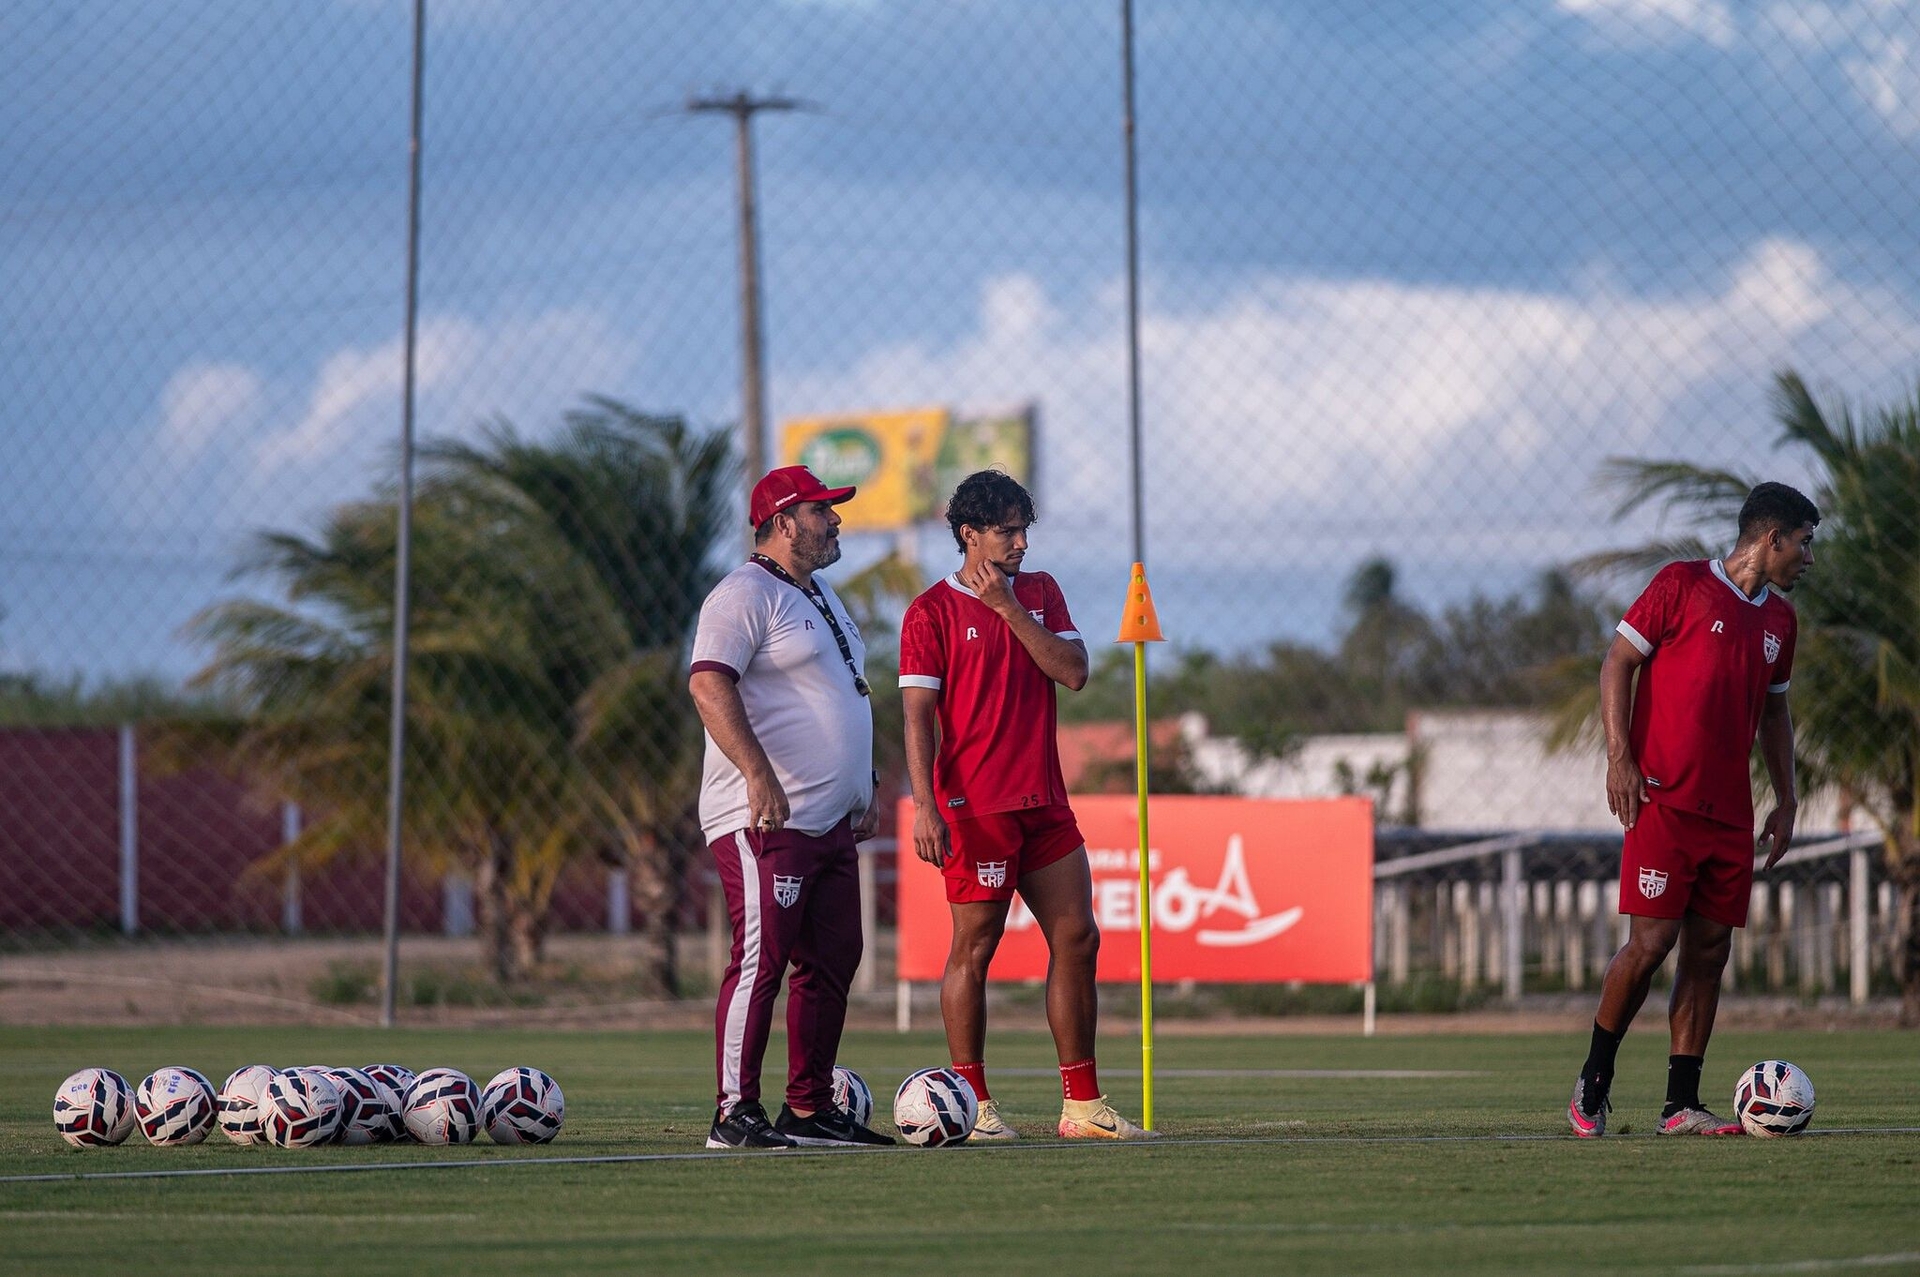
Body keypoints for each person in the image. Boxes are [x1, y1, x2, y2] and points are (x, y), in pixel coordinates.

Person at [900, 469, 1148, 1141]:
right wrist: (925, 805)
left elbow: (1073, 671)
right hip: (976, 808)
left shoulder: (1038, 593)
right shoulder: (929, 611)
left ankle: (1082, 1107)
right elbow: (917, 717)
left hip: (1045, 803)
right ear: (969, 534)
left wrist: (1010, 608)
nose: (1020, 542)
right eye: (1007, 530)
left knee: (1078, 936)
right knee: (974, 949)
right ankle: (974, 1107)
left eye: (1024, 528)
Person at [1568, 481, 1819, 1138]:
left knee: (1709, 953)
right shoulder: (1680, 585)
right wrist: (1619, 757)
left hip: (1731, 814)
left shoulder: (1779, 622)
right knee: (1650, 944)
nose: (1809, 558)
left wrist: (1786, 797)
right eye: (1805, 542)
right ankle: (1594, 1077)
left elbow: (1774, 712)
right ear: (1774, 538)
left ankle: (1680, 1103)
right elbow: (1618, 661)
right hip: (1663, 800)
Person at [689, 465, 893, 1150]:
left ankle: (807, 1110)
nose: (835, 520)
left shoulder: (824, 594)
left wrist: (862, 781)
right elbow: (710, 683)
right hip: (766, 820)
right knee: (761, 959)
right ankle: (731, 1112)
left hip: (829, 820)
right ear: (782, 523)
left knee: (836, 954)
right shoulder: (742, 593)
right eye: (822, 511)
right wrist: (757, 773)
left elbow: (842, 691)